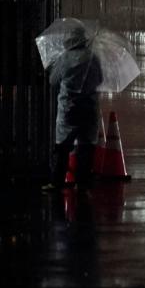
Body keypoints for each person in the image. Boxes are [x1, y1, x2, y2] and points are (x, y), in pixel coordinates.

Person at [46, 26, 103, 189]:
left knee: (63, 147)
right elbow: (100, 79)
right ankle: (82, 183)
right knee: (85, 147)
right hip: (89, 109)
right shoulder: (93, 57)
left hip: (69, 109)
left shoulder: (64, 58)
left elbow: (53, 80)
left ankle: (56, 182)